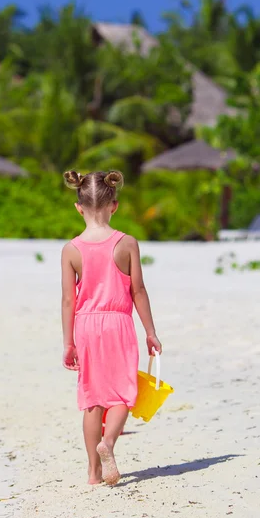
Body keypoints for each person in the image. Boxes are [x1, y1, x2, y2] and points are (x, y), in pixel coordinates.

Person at [61, 169, 162, 486]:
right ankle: (109, 443)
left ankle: (92, 472)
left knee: (92, 398)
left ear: (79, 207)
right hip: (119, 323)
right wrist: (150, 331)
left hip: (87, 326)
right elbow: (139, 291)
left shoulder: (71, 249)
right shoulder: (127, 243)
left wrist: (69, 342)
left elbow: (68, 300)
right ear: (114, 205)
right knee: (122, 393)